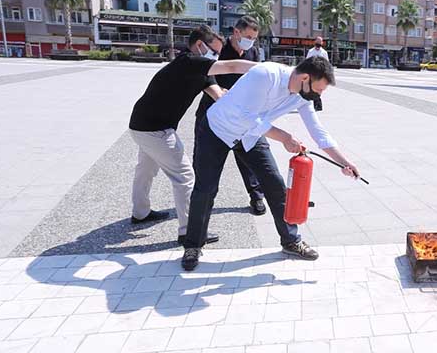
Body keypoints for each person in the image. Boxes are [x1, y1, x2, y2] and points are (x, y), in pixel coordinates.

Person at [182, 56, 360, 270]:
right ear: (305, 77)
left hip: (250, 136)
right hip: (218, 129)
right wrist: (284, 137)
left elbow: (317, 131)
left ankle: (291, 241)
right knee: (206, 188)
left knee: (275, 186)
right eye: (318, 90)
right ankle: (193, 245)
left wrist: (344, 162)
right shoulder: (266, 75)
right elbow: (246, 115)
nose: (318, 95)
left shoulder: (302, 96)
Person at [128, 25, 257, 244]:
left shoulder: (200, 71)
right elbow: (233, 65)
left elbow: (219, 95)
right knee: (185, 177)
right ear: (199, 45)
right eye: (214, 52)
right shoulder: (188, 61)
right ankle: (190, 232)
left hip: (140, 125)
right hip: (155, 130)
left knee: (145, 170)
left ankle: (140, 213)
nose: (215, 57)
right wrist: (271, 69)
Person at [195, 16, 269, 216]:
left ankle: (256, 196)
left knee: (247, 157)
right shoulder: (220, 50)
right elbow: (205, 75)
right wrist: (219, 92)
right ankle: (201, 205)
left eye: (254, 38)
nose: (251, 41)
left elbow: (258, 79)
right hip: (213, 114)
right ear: (236, 32)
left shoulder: (252, 52)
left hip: (241, 116)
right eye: (248, 36)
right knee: (206, 163)